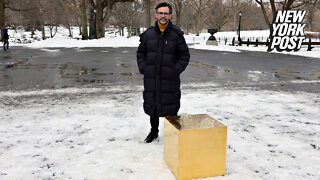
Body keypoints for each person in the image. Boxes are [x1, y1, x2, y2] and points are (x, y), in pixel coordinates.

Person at [137, 2, 190, 143]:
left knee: (170, 106)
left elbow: (184, 56)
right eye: (160, 13)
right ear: (156, 14)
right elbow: (140, 53)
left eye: (166, 13)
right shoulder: (148, 34)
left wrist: (175, 70)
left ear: (170, 15)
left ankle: (172, 135)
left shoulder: (177, 35)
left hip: (169, 79)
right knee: (152, 106)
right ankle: (154, 131)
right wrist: (143, 68)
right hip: (151, 79)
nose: (163, 16)